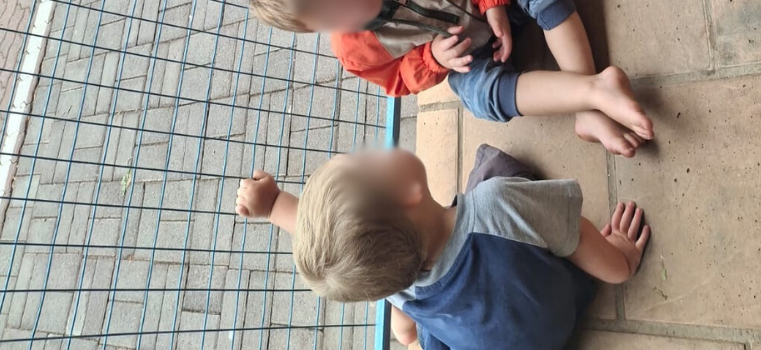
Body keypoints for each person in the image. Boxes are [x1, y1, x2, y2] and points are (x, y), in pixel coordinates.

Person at [240, 0, 653, 155]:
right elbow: (397, 79)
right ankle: (590, 94)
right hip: (465, 53)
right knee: (482, 98)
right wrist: (432, 59)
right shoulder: (353, 49)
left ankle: (588, 101)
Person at [233, 143, 651, 350]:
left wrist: (274, 206)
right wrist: (623, 259)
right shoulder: (496, 203)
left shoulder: (393, 279)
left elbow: (347, 254)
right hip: (560, 312)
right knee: (494, 164)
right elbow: (581, 237)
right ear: (408, 191)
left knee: (415, 322)